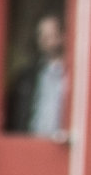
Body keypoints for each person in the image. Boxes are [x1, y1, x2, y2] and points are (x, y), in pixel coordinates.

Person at [4, 11, 71, 139]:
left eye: (50, 34)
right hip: (31, 144)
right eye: (41, 34)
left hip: (61, 145)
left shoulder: (77, 75)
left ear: (64, 35)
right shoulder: (26, 78)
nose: (44, 39)